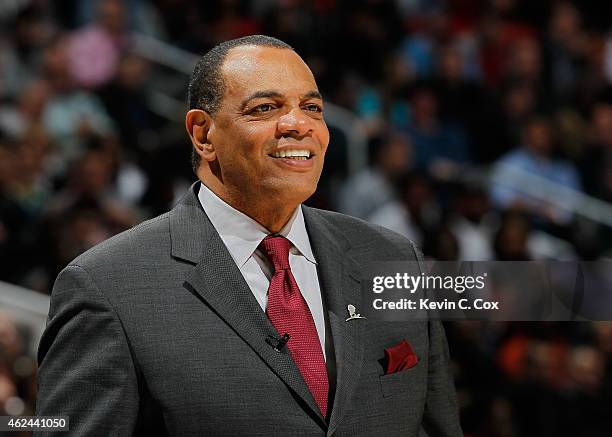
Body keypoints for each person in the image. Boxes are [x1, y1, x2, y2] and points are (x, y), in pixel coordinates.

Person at [35, 35, 462, 437]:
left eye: (312, 108)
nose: (298, 124)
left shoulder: (392, 256)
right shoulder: (108, 287)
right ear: (203, 134)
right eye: (265, 108)